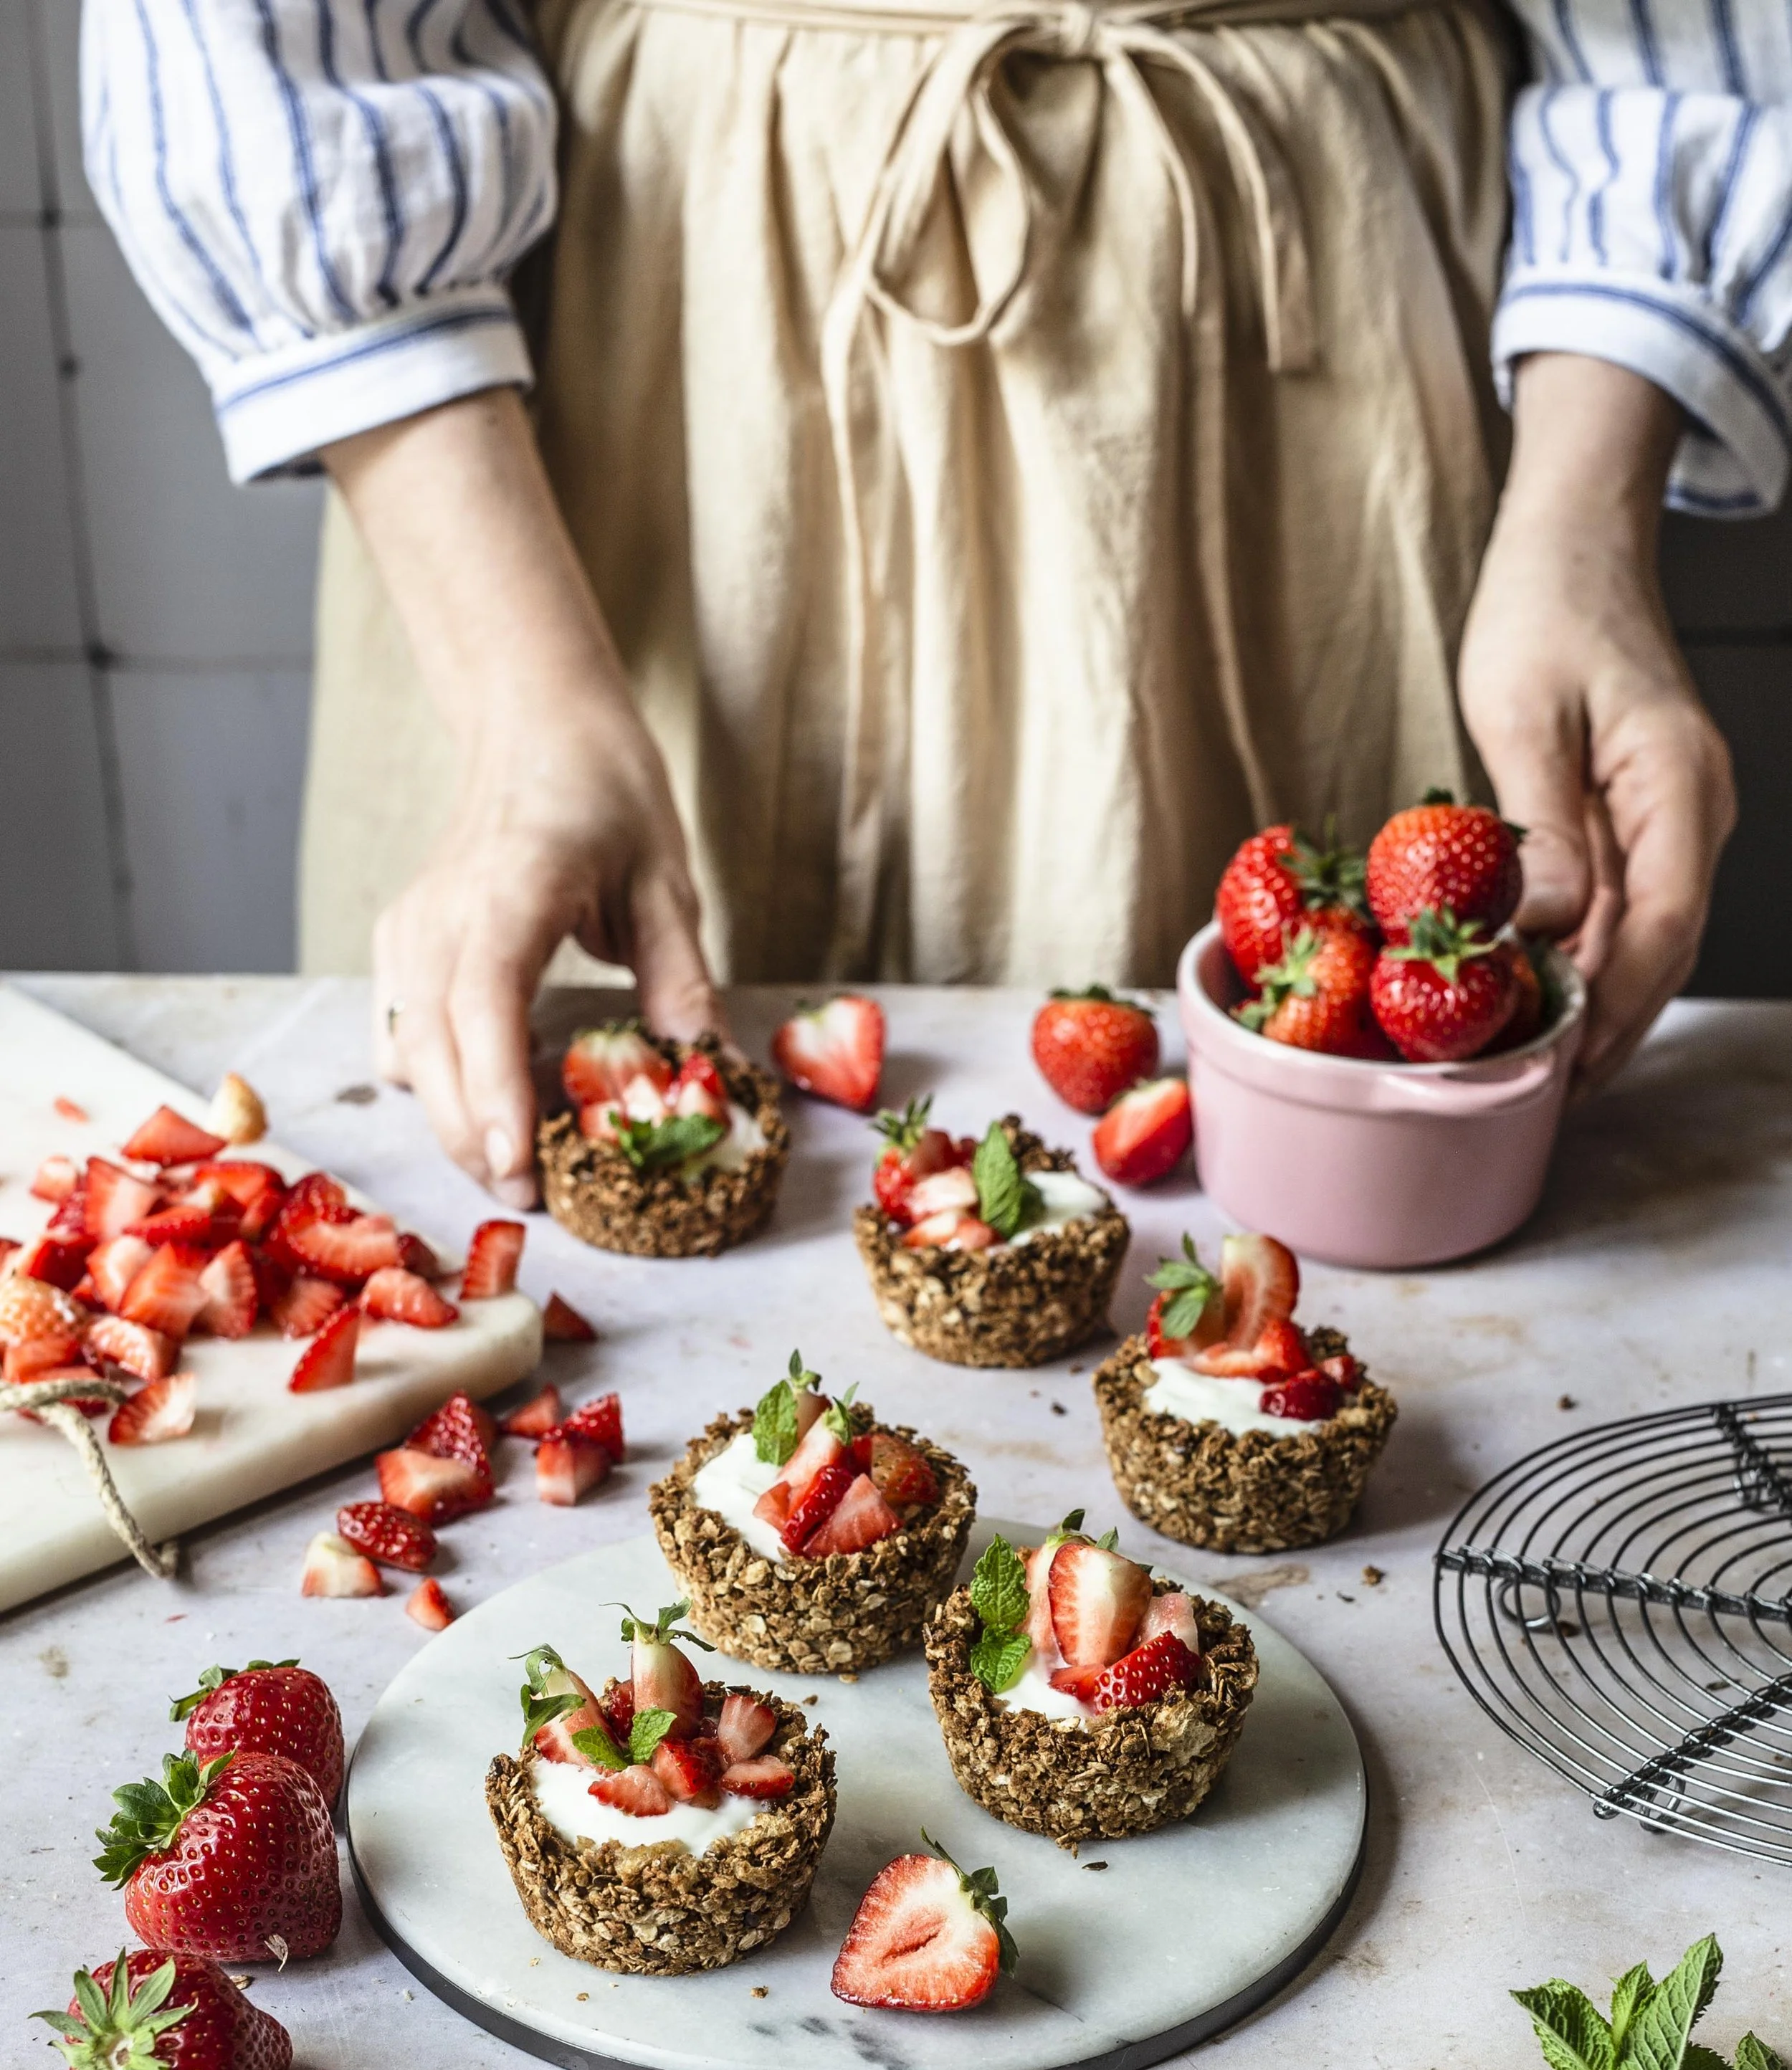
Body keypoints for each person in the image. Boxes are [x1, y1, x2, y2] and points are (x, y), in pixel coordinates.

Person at [87, 0, 1759, 1208]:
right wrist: (525, 704)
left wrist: (1581, 533)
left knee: (1337, 1234)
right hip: (642, 399)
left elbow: (1688, 50)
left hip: (1309, 385)